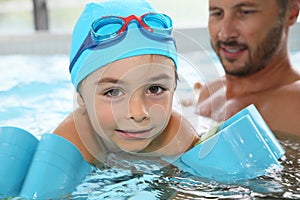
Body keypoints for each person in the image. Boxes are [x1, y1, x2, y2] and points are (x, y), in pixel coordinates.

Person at [53, 0, 199, 167]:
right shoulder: (73, 140)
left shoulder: (177, 137)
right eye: (113, 92)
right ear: (81, 98)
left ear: (173, 88)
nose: (138, 113)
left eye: (155, 89)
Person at [197, 0, 300, 136]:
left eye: (245, 12)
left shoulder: (295, 105)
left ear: (291, 12)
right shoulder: (209, 92)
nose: (225, 34)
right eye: (217, 13)